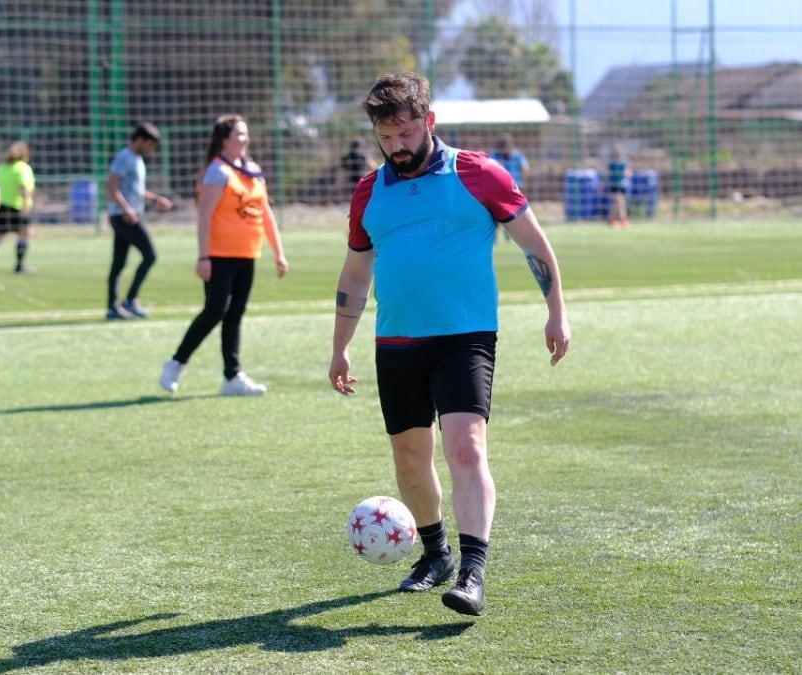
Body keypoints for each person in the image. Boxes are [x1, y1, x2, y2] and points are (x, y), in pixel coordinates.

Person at [328, 72, 571, 616]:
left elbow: (535, 245)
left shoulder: (478, 172)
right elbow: (354, 275)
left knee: (465, 447)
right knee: (411, 459)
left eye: (406, 133)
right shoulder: (369, 191)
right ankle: (433, 554)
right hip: (396, 341)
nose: (397, 146)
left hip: (466, 337)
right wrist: (340, 346)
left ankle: (472, 572)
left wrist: (557, 313)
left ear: (429, 122)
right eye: (386, 137)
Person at [160, 114, 289, 396]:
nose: (245, 139)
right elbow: (205, 215)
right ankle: (176, 362)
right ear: (224, 139)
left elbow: (266, 213)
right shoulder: (217, 172)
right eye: (239, 134)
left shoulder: (252, 170)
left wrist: (278, 252)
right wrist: (203, 256)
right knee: (215, 310)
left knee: (235, 315)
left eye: (245, 134)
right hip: (219, 255)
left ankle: (232, 377)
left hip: (247, 254)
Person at [105, 122, 173, 319]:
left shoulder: (137, 159)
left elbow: (135, 189)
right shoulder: (125, 157)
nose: (152, 150)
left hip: (127, 214)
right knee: (150, 255)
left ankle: (112, 307)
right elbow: (111, 186)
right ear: (141, 140)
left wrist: (155, 198)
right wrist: (126, 209)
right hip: (124, 216)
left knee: (119, 262)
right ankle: (130, 299)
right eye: (151, 145)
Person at [0, 141, 36, 273]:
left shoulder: (2, 168)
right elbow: (24, 188)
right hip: (17, 208)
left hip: (1, 208)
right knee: (25, 235)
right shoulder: (22, 168)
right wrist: (26, 207)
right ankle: (19, 266)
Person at [607, 143, 630, 228]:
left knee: (618, 203)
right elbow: (609, 173)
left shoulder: (624, 161)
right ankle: (624, 220)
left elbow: (627, 171)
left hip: (622, 185)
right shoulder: (612, 163)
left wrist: (627, 173)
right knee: (620, 202)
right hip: (614, 185)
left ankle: (612, 220)